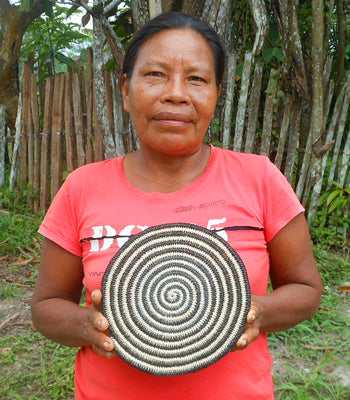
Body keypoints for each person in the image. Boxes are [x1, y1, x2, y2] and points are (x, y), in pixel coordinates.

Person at [31, 11, 322, 400]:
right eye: (155, 75)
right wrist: (89, 325)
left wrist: (254, 312)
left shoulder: (260, 179)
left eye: (197, 79)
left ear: (217, 93)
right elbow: (46, 306)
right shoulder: (82, 187)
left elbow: (305, 289)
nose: (176, 93)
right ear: (125, 88)